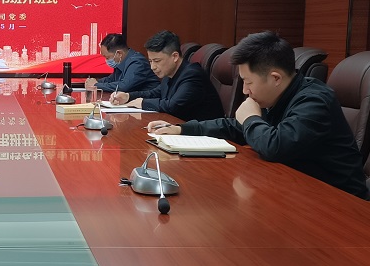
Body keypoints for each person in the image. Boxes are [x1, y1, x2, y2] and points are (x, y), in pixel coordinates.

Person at [148, 31, 368, 199]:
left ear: (275, 78)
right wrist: (183, 129)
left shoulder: (315, 100)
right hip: (296, 190)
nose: (245, 91)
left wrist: (251, 118)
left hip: (339, 203)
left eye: (249, 82)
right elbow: (235, 126)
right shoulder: (277, 95)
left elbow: (276, 146)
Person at [110, 30, 223, 121]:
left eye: (157, 61)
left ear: (174, 56)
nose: (152, 67)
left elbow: (173, 106)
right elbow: (155, 93)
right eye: (150, 61)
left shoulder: (192, 75)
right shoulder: (170, 73)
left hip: (203, 137)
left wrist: (143, 103)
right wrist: (128, 96)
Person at [85, 33, 158, 93]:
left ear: (119, 53)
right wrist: (94, 82)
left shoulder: (137, 62)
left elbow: (124, 86)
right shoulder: (121, 62)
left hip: (149, 102)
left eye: (107, 57)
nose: (106, 60)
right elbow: (111, 80)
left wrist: (96, 85)